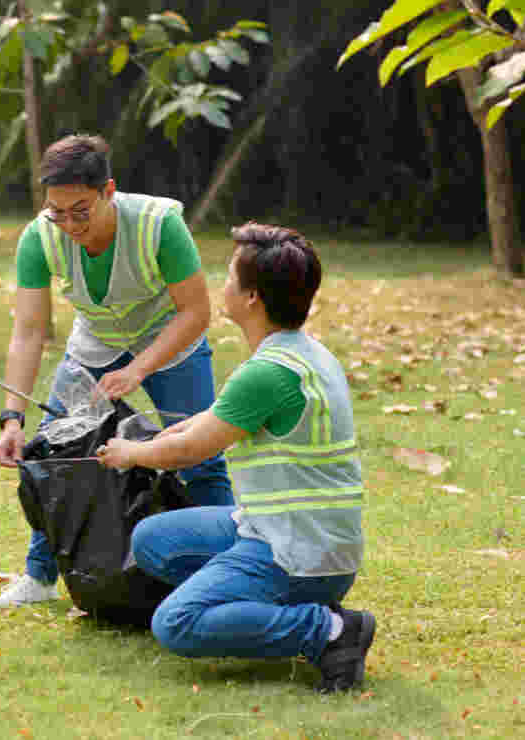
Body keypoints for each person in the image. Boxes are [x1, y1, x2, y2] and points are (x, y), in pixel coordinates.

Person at [95, 222, 373, 693]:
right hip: (295, 533)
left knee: (176, 624)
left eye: (228, 276)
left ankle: (328, 630)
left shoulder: (266, 373)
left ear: (252, 298)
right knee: (152, 540)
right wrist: (180, 428)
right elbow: (217, 422)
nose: (220, 284)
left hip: (298, 556)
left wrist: (132, 453)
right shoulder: (306, 354)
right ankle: (243, 605)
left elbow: (192, 450)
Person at [0, 134, 232, 609]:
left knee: (203, 455)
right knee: (58, 456)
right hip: (95, 342)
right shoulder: (39, 236)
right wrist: (11, 417)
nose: (69, 224)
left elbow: (196, 313)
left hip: (168, 340)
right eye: (57, 211)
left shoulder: (160, 225)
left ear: (108, 191)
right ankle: (40, 576)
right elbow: (30, 331)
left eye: (81, 210)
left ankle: (231, 570)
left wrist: (137, 370)